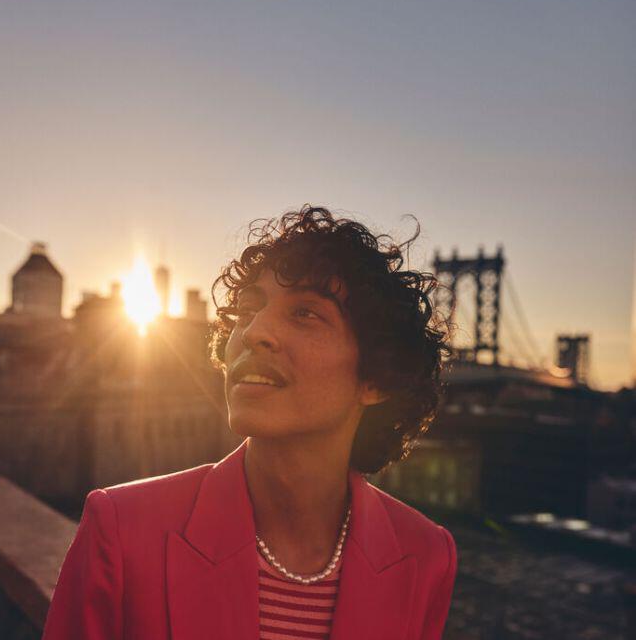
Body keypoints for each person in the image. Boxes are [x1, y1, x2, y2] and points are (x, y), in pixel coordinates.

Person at [42, 205, 457, 640]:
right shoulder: (121, 531)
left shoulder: (427, 556)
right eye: (247, 310)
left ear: (376, 379)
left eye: (305, 314)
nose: (255, 330)